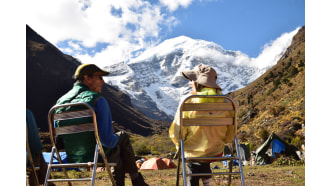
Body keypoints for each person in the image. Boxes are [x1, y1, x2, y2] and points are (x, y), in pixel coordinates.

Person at [55, 64, 148, 186]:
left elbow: (59, 141)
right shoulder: (96, 99)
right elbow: (107, 141)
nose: (103, 81)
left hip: (72, 156)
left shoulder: (60, 102)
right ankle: (137, 180)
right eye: (99, 77)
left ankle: (135, 182)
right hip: (95, 155)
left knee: (117, 149)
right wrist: (114, 136)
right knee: (121, 138)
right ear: (87, 78)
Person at [169, 64, 234, 186]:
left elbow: (178, 134)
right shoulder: (227, 102)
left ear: (199, 84)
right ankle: (206, 180)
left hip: (192, 152)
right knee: (204, 152)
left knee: (191, 151)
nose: (190, 83)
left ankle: (192, 182)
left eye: (192, 80)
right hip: (216, 151)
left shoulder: (187, 102)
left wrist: (179, 144)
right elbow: (230, 136)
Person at [26, 109, 51, 186]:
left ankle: (48, 182)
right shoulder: (26, 114)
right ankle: (48, 182)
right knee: (35, 152)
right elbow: (34, 145)